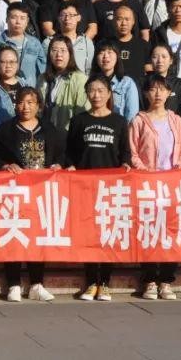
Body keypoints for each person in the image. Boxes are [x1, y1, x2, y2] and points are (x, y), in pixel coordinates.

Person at [0, 86, 64, 302]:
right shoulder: (5, 131)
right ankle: (13, 284)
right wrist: (6, 165)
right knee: (13, 235)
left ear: (39, 106)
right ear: (15, 105)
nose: (26, 107)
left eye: (31, 102)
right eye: (22, 102)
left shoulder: (49, 129)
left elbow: (61, 155)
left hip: (40, 193)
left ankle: (36, 283)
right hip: (14, 194)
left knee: (37, 238)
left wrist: (58, 165)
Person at [129, 74, 181, 301]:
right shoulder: (139, 121)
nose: (157, 93)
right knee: (148, 232)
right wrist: (145, 171)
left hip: (171, 185)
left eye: (162, 89)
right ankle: (149, 280)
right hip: (147, 185)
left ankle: (166, 280)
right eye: (152, 89)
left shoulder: (177, 121)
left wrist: (179, 167)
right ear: (146, 93)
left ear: (168, 93)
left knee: (170, 232)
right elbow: (133, 152)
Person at [66, 76, 131, 302]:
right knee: (89, 235)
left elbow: (125, 152)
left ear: (109, 93)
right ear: (86, 93)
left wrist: (125, 165)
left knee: (108, 235)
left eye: (101, 90)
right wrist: (71, 166)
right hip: (85, 188)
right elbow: (70, 152)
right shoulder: (79, 121)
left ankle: (105, 283)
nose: (96, 95)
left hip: (110, 189)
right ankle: (91, 281)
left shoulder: (119, 121)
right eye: (92, 90)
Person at [0, 3, 45, 87]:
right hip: (3, 91)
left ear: (27, 21)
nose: (18, 22)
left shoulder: (35, 43)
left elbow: (43, 71)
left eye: (22, 18)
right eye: (14, 17)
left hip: (29, 91)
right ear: (6, 19)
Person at [37, 35, 89, 133]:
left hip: (68, 134)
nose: (58, 54)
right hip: (44, 133)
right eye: (54, 50)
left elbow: (82, 112)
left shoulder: (80, 79)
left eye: (63, 50)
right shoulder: (42, 78)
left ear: (70, 54)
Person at [144, 44, 181, 124]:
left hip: (175, 127)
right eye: (155, 57)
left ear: (171, 60)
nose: (160, 61)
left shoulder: (180, 84)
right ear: (151, 60)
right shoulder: (143, 83)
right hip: (147, 126)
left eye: (164, 57)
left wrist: (173, 126)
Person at [92, 41, 140, 123]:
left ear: (117, 56)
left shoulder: (127, 83)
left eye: (110, 52)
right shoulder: (90, 83)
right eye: (101, 52)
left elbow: (132, 117)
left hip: (119, 129)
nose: (106, 56)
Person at [42, 1, 94, 73]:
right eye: (63, 15)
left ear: (79, 18)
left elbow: (89, 69)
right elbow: (44, 67)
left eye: (71, 15)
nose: (67, 18)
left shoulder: (86, 42)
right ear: (58, 18)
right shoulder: (48, 42)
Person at [111, 4, 150, 86]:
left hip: (138, 89)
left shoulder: (143, 45)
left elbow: (149, 70)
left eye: (127, 19)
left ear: (133, 22)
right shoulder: (106, 45)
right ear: (114, 21)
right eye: (119, 19)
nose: (124, 23)